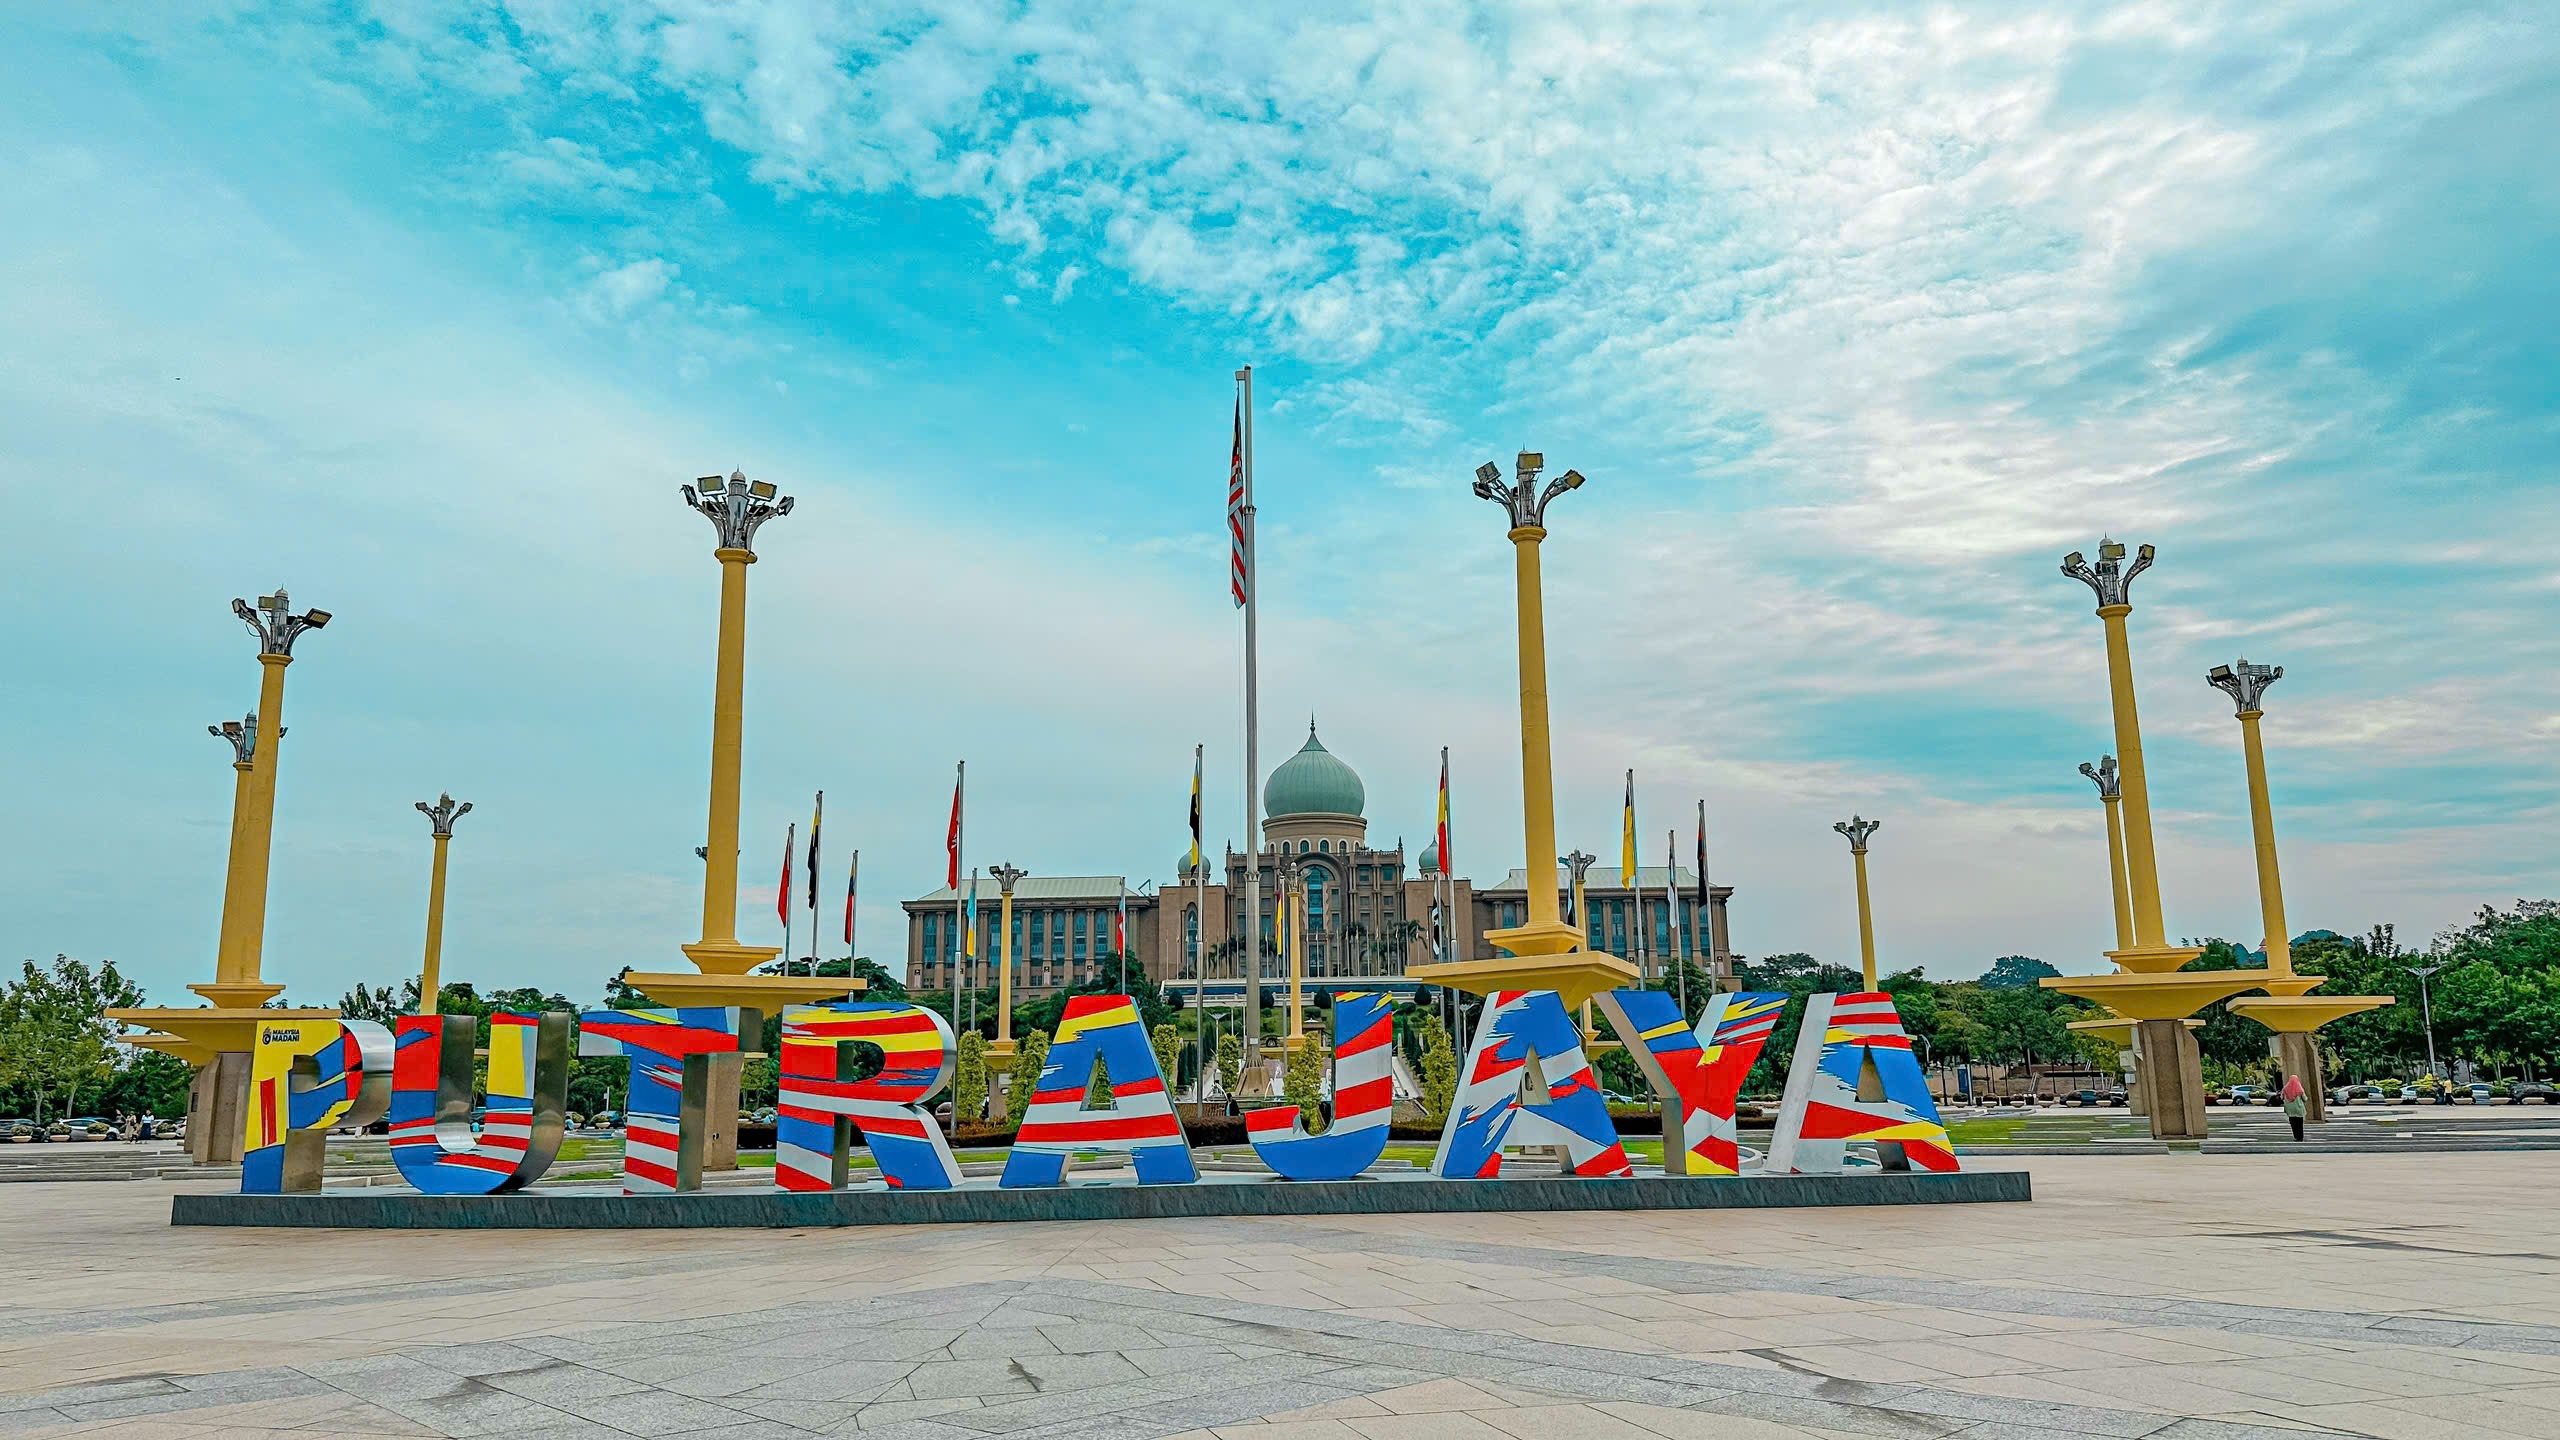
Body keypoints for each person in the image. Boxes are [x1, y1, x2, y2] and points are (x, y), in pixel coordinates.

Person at [2281, 1074, 2308, 1141]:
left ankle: (2296, 1136)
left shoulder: (2285, 1089)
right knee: (2300, 1124)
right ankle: (2300, 1137)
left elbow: (2281, 1097)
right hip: (2299, 1109)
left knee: (2293, 1124)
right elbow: (2305, 1099)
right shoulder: (2300, 1089)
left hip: (2290, 1110)